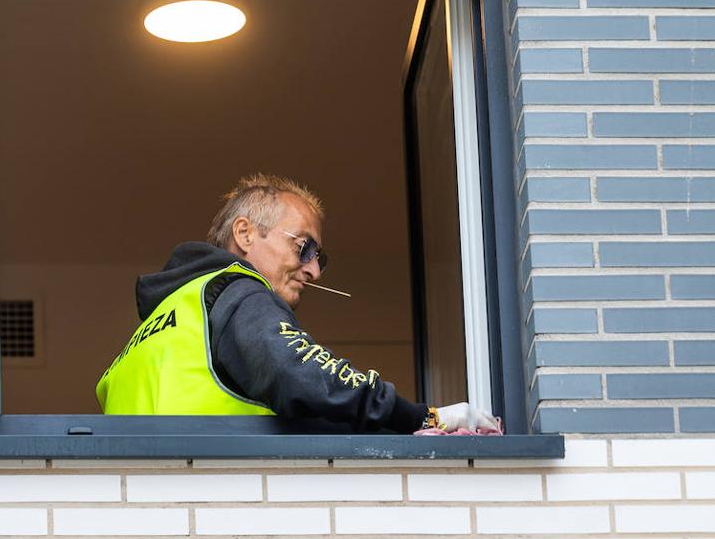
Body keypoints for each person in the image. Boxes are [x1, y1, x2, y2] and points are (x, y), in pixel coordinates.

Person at [95, 173, 496, 434]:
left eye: (319, 258)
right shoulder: (238, 291)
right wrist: (423, 417)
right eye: (304, 248)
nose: (314, 271)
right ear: (246, 233)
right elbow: (303, 377)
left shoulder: (163, 324)